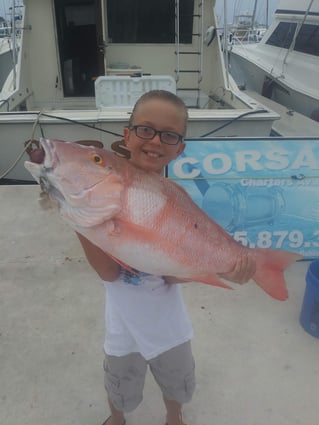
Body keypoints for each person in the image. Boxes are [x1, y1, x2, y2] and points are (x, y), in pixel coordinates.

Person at [77, 90, 256, 425]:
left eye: (169, 135)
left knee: (176, 380)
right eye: (145, 129)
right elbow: (110, 272)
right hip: (123, 326)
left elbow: (172, 274)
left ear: (180, 148)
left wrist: (225, 270)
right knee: (119, 383)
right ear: (127, 135)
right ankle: (117, 418)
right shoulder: (108, 189)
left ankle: (174, 417)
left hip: (169, 325)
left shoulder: (177, 197)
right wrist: (80, 217)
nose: (155, 141)